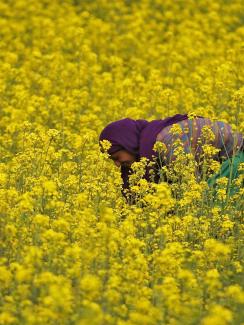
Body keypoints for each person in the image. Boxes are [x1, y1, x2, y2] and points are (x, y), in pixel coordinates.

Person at [99, 114, 243, 201]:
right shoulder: (148, 148)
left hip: (237, 161)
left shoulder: (167, 141)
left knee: (214, 202)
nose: (117, 164)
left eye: (117, 156)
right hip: (221, 168)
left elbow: (191, 187)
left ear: (128, 143)